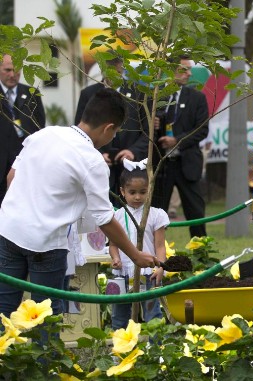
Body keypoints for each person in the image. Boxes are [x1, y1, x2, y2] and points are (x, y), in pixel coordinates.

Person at [0, 88, 159, 316]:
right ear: (108, 128)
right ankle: (46, 353)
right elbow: (104, 219)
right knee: (46, 316)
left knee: (3, 307)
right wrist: (135, 255)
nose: (112, 139)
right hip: (46, 243)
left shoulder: (44, 134)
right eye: (115, 133)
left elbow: (11, 177)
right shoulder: (92, 161)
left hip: (8, 230)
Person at [75, 55, 149, 208]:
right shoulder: (88, 94)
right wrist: (97, 154)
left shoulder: (138, 93)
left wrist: (132, 151)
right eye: (112, 71)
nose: (117, 75)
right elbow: (80, 131)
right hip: (99, 165)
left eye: (119, 71)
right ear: (103, 70)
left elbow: (147, 132)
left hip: (131, 167)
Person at [109, 159, 168, 329]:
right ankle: (120, 350)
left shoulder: (156, 215)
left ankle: (154, 352)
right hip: (122, 274)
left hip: (149, 273)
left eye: (143, 192)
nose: (137, 196)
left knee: (153, 315)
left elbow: (160, 246)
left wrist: (160, 267)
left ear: (149, 190)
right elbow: (113, 244)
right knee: (119, 315)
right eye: (132, 192)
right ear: (122, 191)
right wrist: (115, 258)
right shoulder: (117, 216)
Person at [155, 55, 209, 238]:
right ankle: (155, 255)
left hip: (188, 163)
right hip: (162, 165)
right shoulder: (156, 96)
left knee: (196, 212)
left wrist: (177, 140)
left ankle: (201, 252)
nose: (189, 73)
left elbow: (202, 130)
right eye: (184, 69)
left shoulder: (197, 98)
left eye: (190, 69)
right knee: (157, 214)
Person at [0, 54, 45, 150]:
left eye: (16, 69)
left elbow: (40, 126)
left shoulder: (32, 94)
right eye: (7, 70)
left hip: (24, 154)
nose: (12, 75)